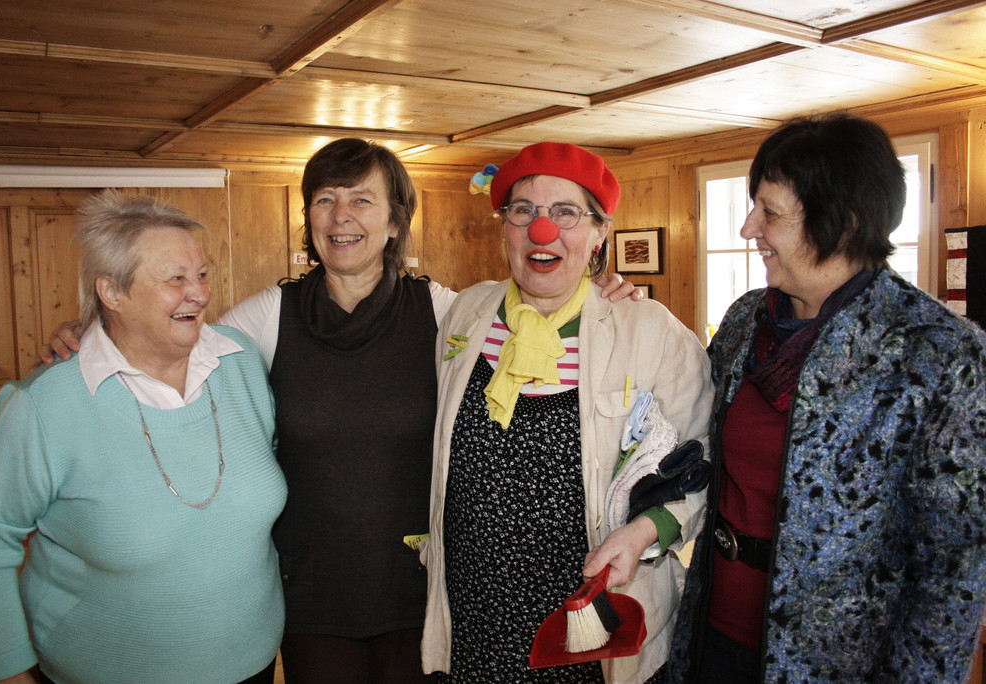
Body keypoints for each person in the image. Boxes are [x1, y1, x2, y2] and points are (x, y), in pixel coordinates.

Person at [37, 138, 642, 684]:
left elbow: (533, 322)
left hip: (423, 587)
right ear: (309, 219)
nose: (341, 216)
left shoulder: (445, 312)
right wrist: (99, 332)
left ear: (395, 221)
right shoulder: (268, 316)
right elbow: (173, 345)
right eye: (324, 200)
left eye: (362, 200)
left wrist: (604, 295)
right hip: (312, 592)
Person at [668, 113, 986, 682]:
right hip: (710, 636)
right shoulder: (745, 321)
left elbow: (953, 572)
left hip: (835, 665)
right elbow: (688, 440)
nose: (747, 228)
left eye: (770, 212)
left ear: (844, 224)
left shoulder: (939, 354)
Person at [0, 191, 287, 684]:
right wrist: (6, 668)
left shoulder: (239, 360)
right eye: (175, 279)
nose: (199, 294)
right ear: (112, 292)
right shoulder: (45, 405)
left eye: (202, 274)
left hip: (254, 663)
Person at [421, 142, 714, 683]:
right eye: (523, 211)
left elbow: (701, 469)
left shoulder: (653, 334)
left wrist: (644, 532)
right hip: (474, 616)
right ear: (505, 228)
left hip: (594, 620)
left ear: (600, 233)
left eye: (566, 213)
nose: (542, 230)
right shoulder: (466, 313)